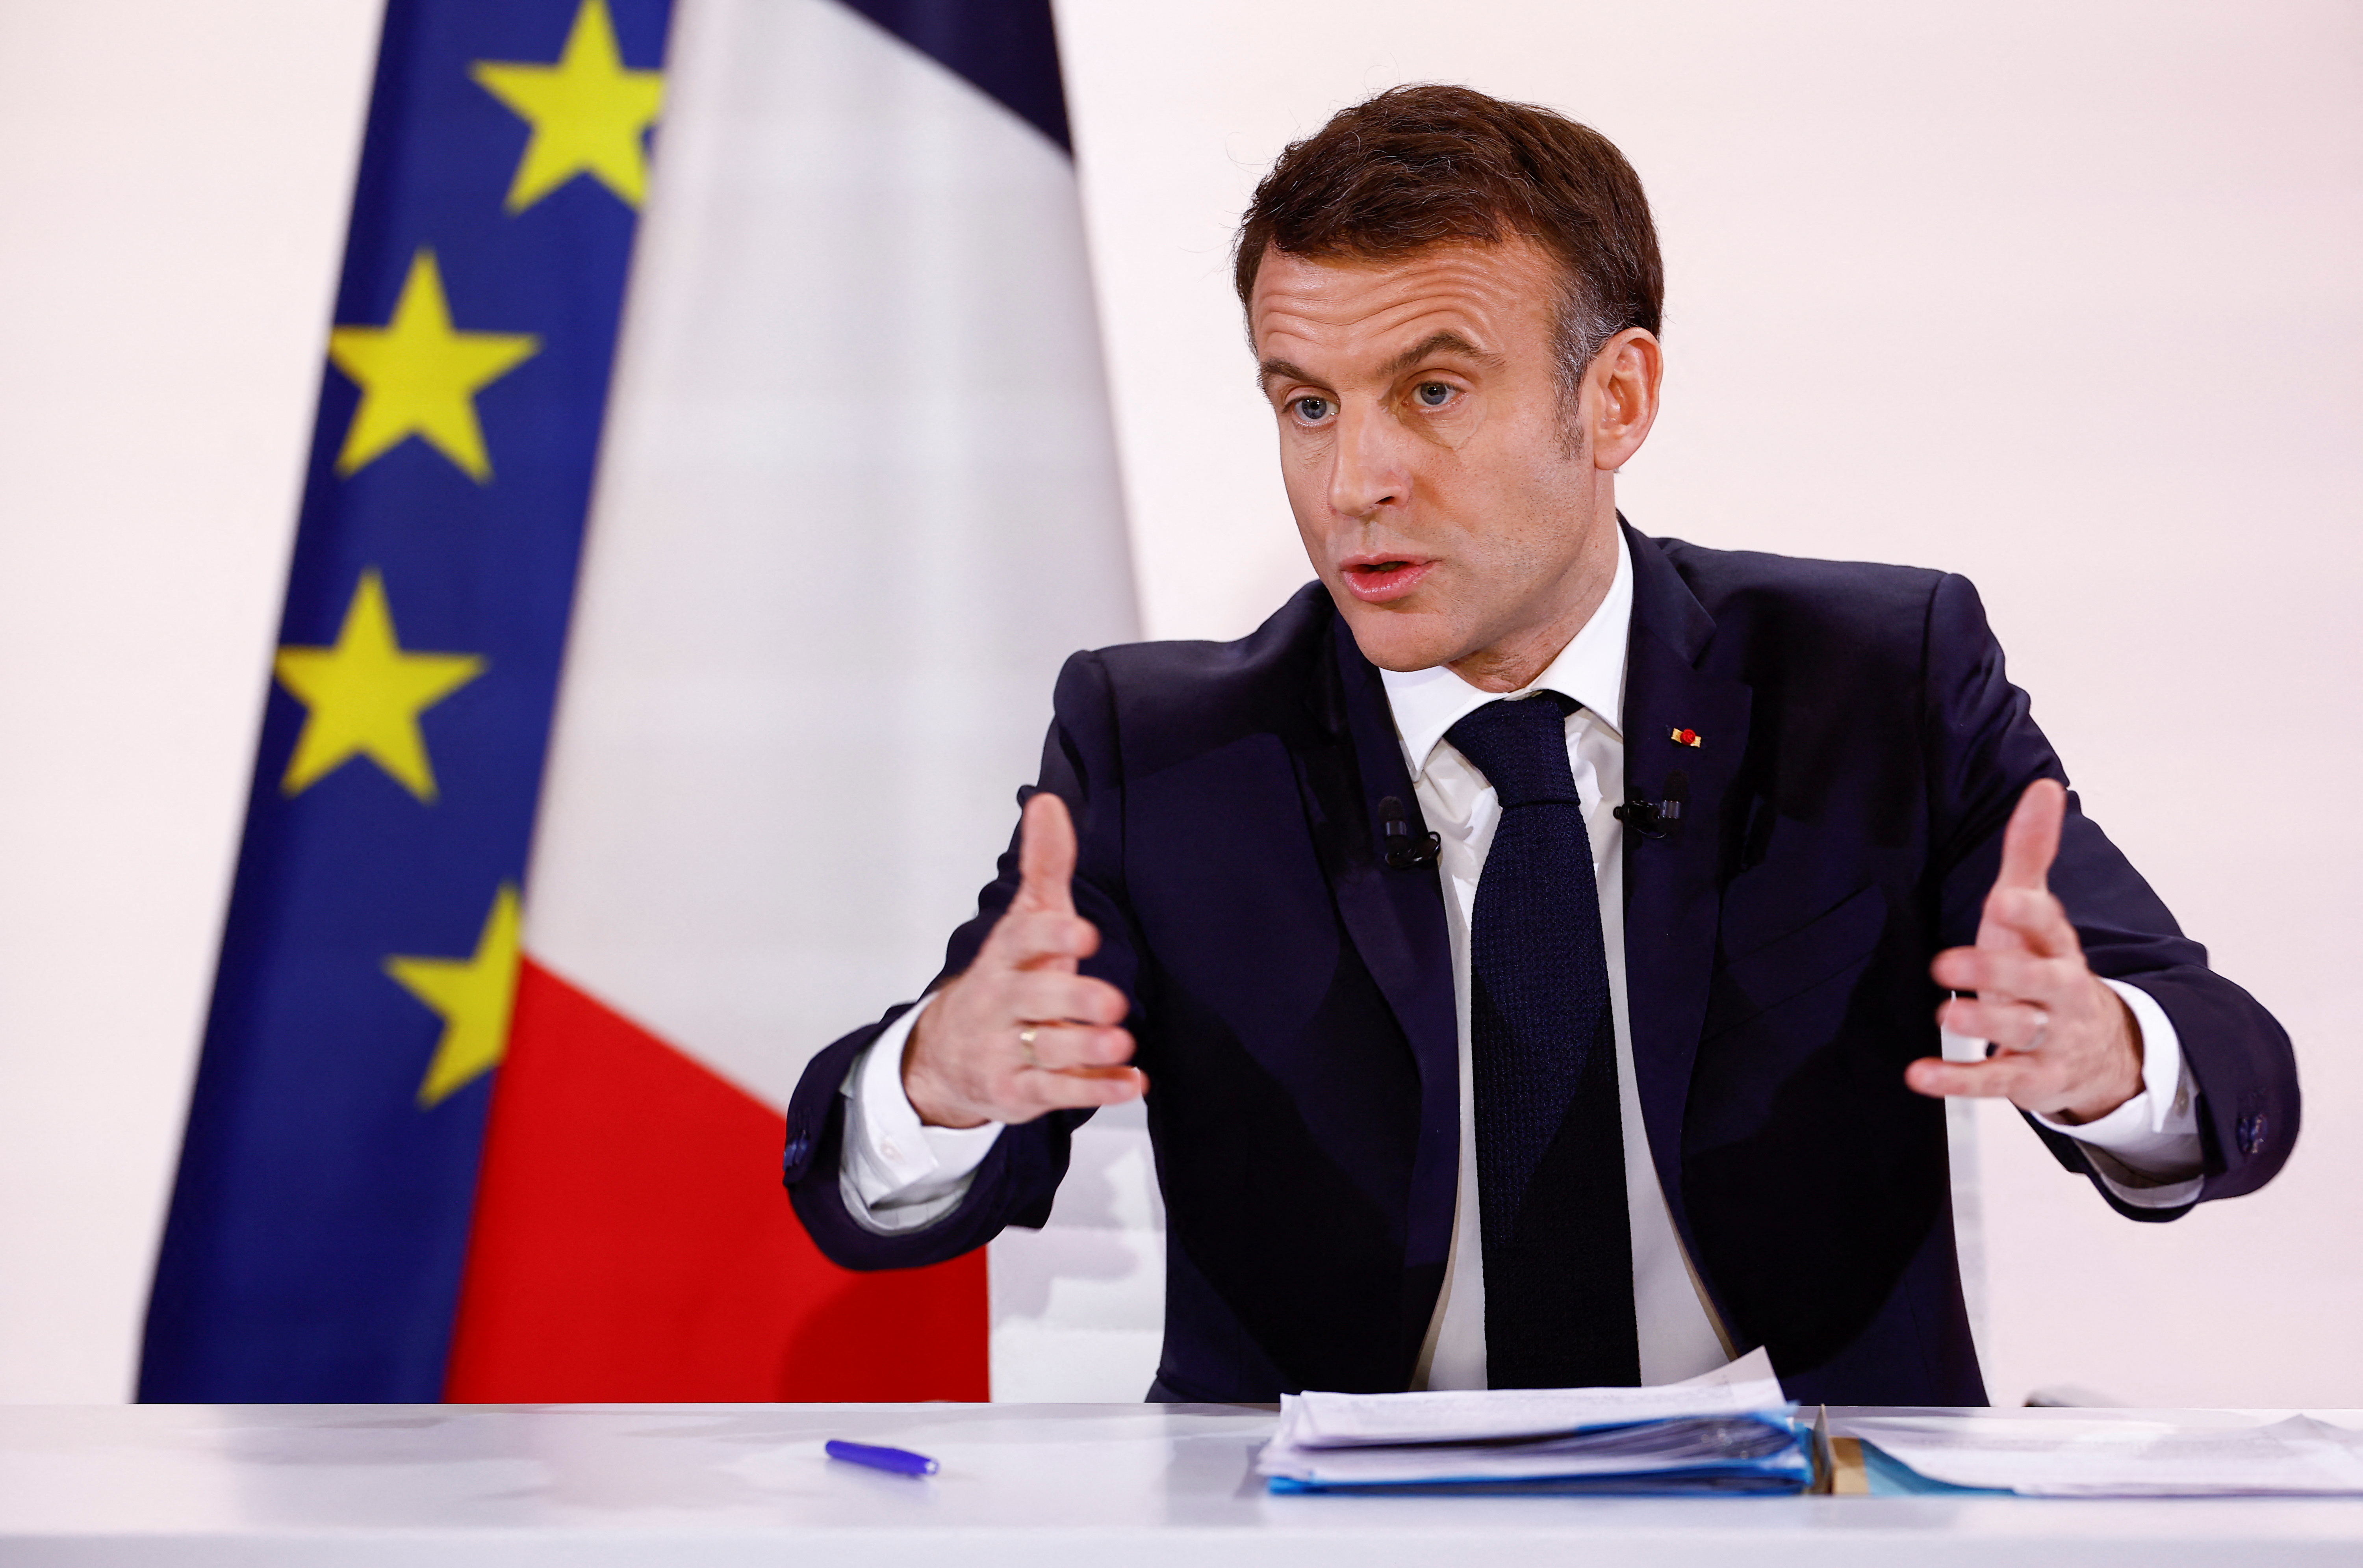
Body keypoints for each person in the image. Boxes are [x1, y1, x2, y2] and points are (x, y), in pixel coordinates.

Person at [780, 84, 2297, 1404]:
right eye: (1306, 404)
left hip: (1807, 1518)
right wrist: (936, 1081)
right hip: (1316, 1534)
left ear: (1615, 397)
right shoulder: (1165, 748)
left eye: (1431, 392)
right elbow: (869, 1195)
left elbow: (2234, 1074)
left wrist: (2108, 1059)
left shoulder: (1872, 683)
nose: (1353, 479)